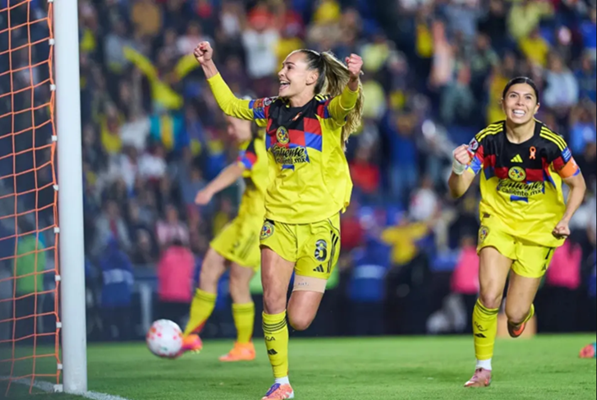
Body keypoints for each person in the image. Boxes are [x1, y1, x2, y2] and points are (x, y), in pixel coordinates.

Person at [193, 41, 364, 399]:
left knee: (299, 318)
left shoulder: (325, 112)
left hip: (320, 225)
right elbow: (232, 105)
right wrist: (208, 64)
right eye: (282, 67)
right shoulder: (270, 109)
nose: (280, 73)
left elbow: (347, 103)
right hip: (278, 221)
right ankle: (281, 382)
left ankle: (279, 360)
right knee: (272, 300)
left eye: (289, 67)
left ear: (312, 78)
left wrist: (352, 81)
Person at [448, 77, 587, 388]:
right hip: (498, 222)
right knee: (489, 294)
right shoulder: (487, 140)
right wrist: (457, 169)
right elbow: (457, 190)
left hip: (539, 230)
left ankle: (521, 313)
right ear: (503, 103)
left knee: (514, 314)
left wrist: (566, 219)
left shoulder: (551, 143)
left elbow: (578, 185)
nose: (519, 103)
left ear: (536, 107)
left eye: (527, 98)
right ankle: (482, 368)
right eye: (513, 96)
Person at [179, 116, 268, 362]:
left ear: (251, 124)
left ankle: (244, 345)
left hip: (258, 224)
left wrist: (210, 189)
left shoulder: (258, 147)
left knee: (238, 282)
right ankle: (190, 335)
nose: (230, 130)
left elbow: (236, 169)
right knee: (208, 268)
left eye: (234, 124)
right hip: (242, 221)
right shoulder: (250, 146)